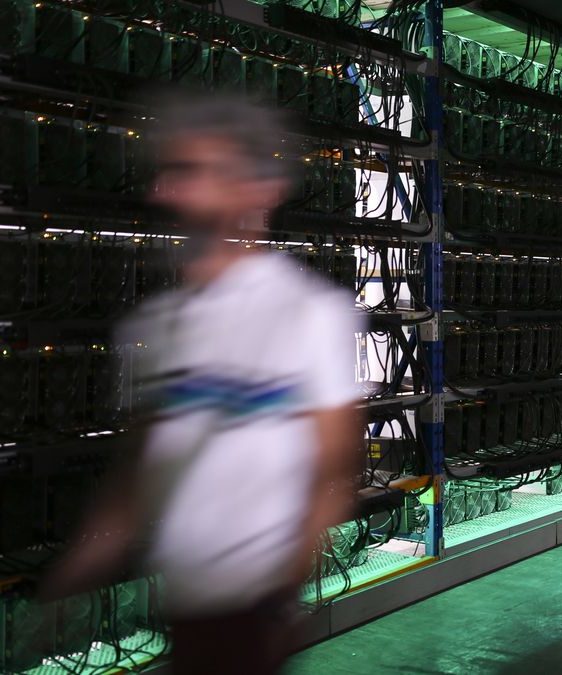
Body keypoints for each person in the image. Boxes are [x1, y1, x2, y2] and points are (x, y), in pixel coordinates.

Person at [40, 96, 363, 674]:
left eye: (194, 173)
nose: (170, 193)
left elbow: (334, 469)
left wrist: (278, 597)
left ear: (255, 189)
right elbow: (136, 472)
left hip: (249, 614)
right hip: (187, 609)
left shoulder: (309, 314)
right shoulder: (153, 328)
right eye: (169, 175)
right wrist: (78, 572)